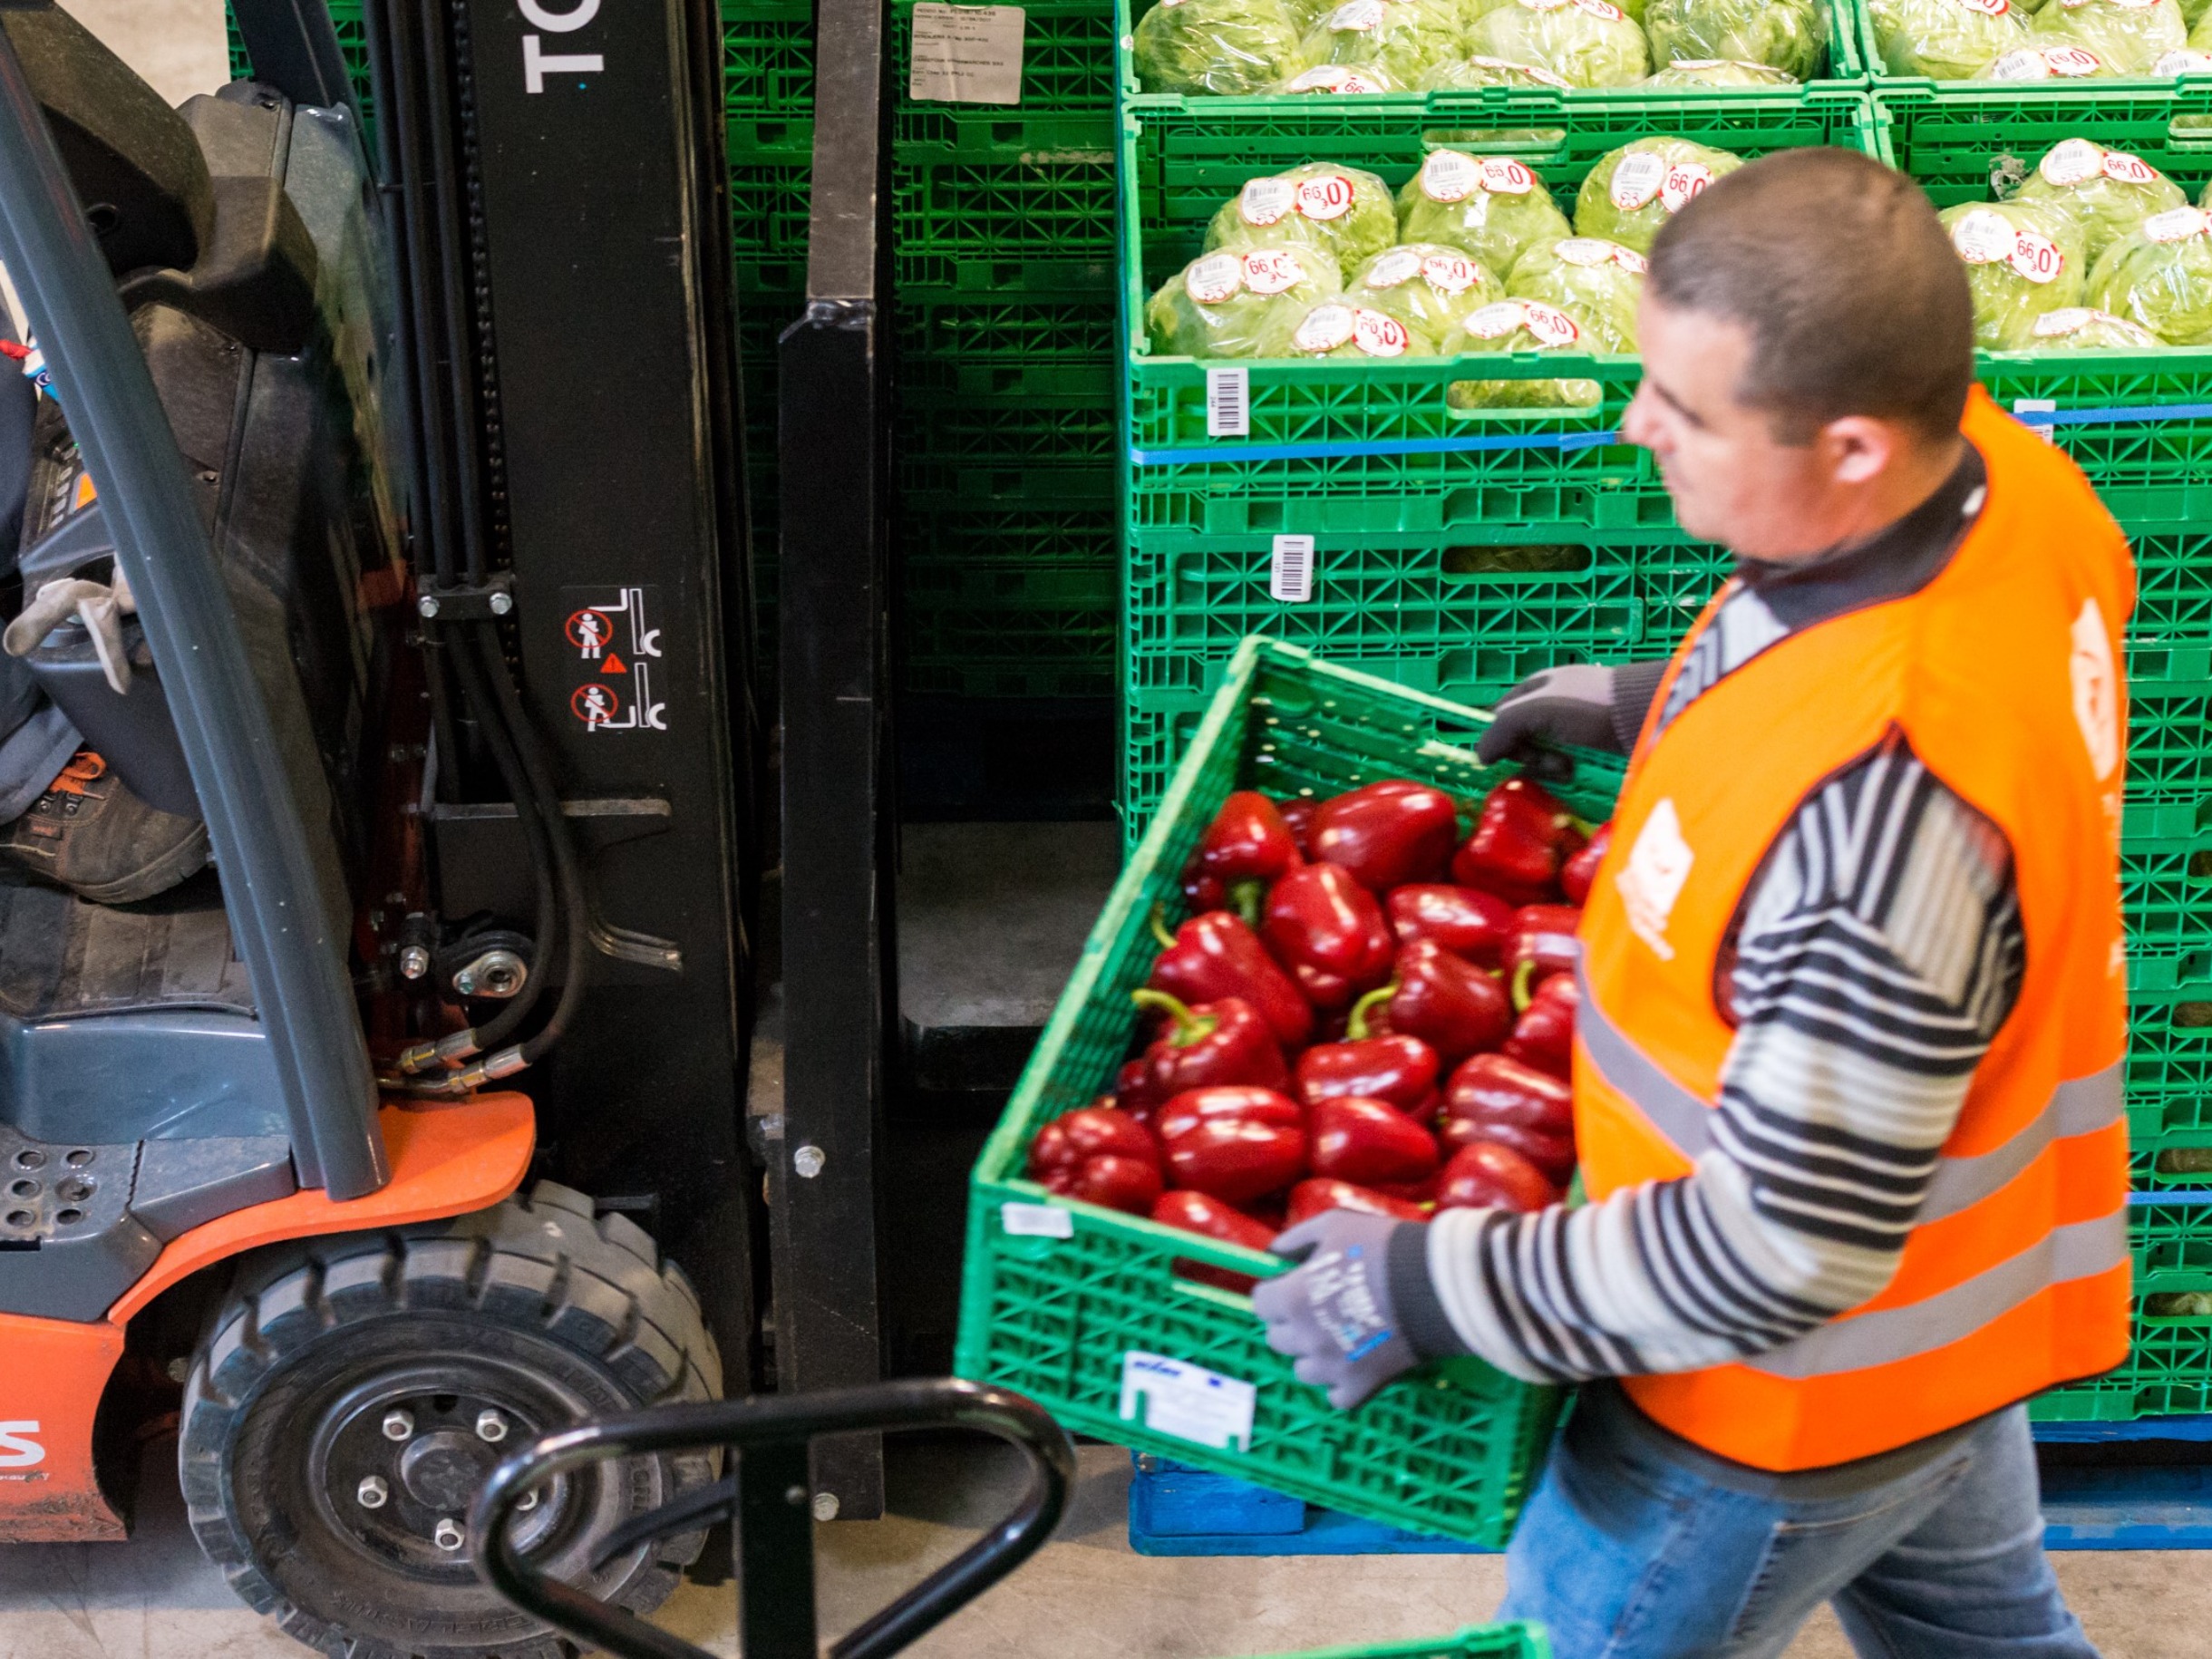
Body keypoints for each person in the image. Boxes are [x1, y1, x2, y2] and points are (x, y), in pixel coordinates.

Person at [1254, 147, 2130, 1659]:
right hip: (1947, 1327)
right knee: (1991, 1641)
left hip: (1773, 1404)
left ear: (1851, 445)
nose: (1634, 422)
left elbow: (1773, 1253)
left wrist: (1435, 1279)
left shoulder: (1888, 829)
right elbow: (1884, 651)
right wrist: (1660, 700)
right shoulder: (2007, 484)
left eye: (1687, 408)